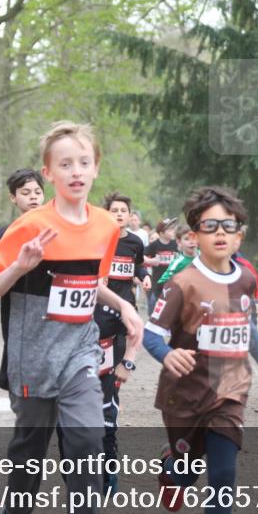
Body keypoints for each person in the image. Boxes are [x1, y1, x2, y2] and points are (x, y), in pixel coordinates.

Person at [0, 122, 142, 514]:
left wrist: (124, 306)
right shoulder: (29, 226)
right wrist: (20, 265)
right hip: (32, 358)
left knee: (88, 445)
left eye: (84, 162)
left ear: (96, 169)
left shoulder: (106, 225)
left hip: (80, 352)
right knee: (29, 454)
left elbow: (92, 282)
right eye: (65, 163)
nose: (76, 171)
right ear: (48, 173)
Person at [143, 186, 258, 514]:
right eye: (210, 226)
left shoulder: (246, 279)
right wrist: (168, 354)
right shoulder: (182, 283)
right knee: (187, 471)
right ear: (194, 235)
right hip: (184, 395)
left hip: (230, 391)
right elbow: (152, 334)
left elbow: (247, 326)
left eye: (228, 226)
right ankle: (171, 470)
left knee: (223, 473)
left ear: (240, 235)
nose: (220, 233)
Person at [97, 191, 149, 493]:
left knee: (108, 395)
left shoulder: (135, 242)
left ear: (130, 215)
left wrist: (143, 276)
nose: (119, 214)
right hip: (96, 309)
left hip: (122, 308)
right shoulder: (97, 239)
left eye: (123, 210)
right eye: (114, 210)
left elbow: (138, 265)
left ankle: (108, 466)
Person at [0, 168, 45, 391]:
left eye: (37, 192)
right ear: (13, 198)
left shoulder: (56, 230)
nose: (33, 197)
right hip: (16, 310)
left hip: (49, 311)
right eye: (26, 192)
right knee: (19, 377)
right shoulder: (6, 233)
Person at [145, 218, 178, 312]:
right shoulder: (154, 245)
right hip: (157, 284)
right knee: (153, 311)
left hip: (172, 284)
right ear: (161, 233)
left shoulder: (175, 244)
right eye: (170, 229)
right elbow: (140, 255)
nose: (173, 231)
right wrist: (150, 261)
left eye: (173, 228)